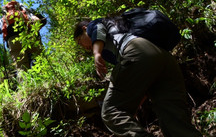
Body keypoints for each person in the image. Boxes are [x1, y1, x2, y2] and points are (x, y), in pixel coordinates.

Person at [74, 18, 202, 137]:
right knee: (173, 118)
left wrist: (97, 53)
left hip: (137, 51)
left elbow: (98, 27)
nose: (84, 48)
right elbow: (140, 83)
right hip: (163, 58)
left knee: (111, 112)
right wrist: (133, 106)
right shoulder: (116, 37)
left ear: (85, 29)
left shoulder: (94, 26)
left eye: (80, 41)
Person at [0, 1, 47, 71]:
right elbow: (40, 21)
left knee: (21, 67)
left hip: (13, 42)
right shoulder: (26, 12)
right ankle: (46, 80)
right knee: (40, 60)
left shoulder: (3, 20)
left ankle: (24, 81)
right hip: (30, 35)